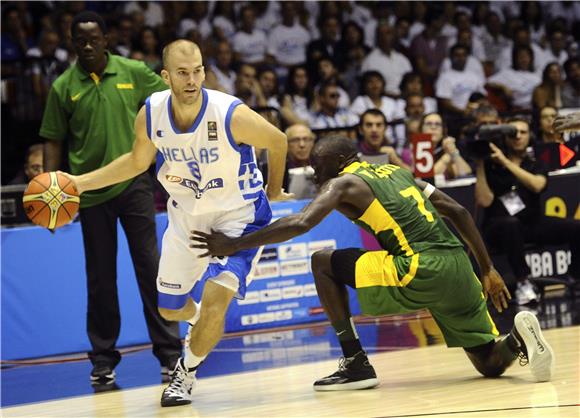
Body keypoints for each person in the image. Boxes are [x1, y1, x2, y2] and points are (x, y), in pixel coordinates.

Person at [191, 135, 555, 391]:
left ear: (337, 162)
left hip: (418, 267)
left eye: (318, 167)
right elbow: (458, 210)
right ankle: (519, 338)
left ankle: (355, 362)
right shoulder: (399, 172)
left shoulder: (344, 182)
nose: (317, 177)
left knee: (322, 262)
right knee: (490, 363)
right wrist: (487, 269)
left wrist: (234, 243)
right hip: (460, 266)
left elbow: (300, 222)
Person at [60, 39, 291, 407]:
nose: (192, 79)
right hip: (186, 218)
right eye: (182, 73)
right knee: (169, 309)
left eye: (197, 70)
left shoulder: (228, 112)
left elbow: (278, 141)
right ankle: (200, 324)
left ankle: (185, 373)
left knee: (218, 299)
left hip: (239, 220)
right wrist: (78, 183)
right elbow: (136, 163)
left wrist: (275, 191)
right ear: (166, 76)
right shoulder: (151, 113)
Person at [40, 11, 181, 384]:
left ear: (106, 39)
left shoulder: (133, 72)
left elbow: (168, 104)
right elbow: (52, 140)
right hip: (87, 192)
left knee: (152, 270)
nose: (87, 46)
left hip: (134, 186)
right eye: (80, 40)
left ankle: (170, 355)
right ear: (72, 43)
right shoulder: (63, 86)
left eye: (94, 39)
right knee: (100, 279)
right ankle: (103, 360)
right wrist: (54, 195)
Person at [474, 118, 580, 305]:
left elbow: (537, 185)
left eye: (523, 132)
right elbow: (484, 200)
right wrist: (481, 163)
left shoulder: (535, 161)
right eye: (514, 132)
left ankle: (576, 277)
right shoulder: (491, 165)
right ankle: (524, 283)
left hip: (530, 222)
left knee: (576, 227)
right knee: (510, 224)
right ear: (505, 136)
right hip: (498, 225)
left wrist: (505, 161)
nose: (518, 137)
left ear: (529, 135)